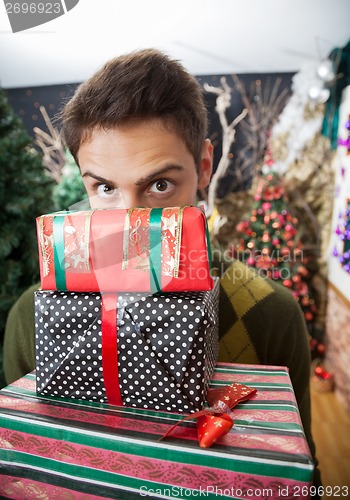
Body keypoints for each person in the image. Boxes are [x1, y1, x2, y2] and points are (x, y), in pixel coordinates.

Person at [3, 48, 321, 488]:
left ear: (203, 166)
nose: (133, 223)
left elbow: (297, 477)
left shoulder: (271, 313)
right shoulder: (33, 316)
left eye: (159, 185)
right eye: (105, 188)